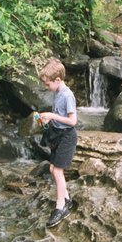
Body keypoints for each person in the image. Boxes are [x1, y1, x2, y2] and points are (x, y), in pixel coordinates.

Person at [38, 58, 78, 228]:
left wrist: (52, 116)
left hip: (67, 136)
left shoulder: (68, 95)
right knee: (52, 168)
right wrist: (46, 120)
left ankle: (61, 207)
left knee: (58, 171)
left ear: (58, 80)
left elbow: (73, 121)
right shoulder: (57, 92)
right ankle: (67, 198)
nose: (47, 88)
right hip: (57, 133)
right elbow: (57, 115)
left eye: (48, 85)